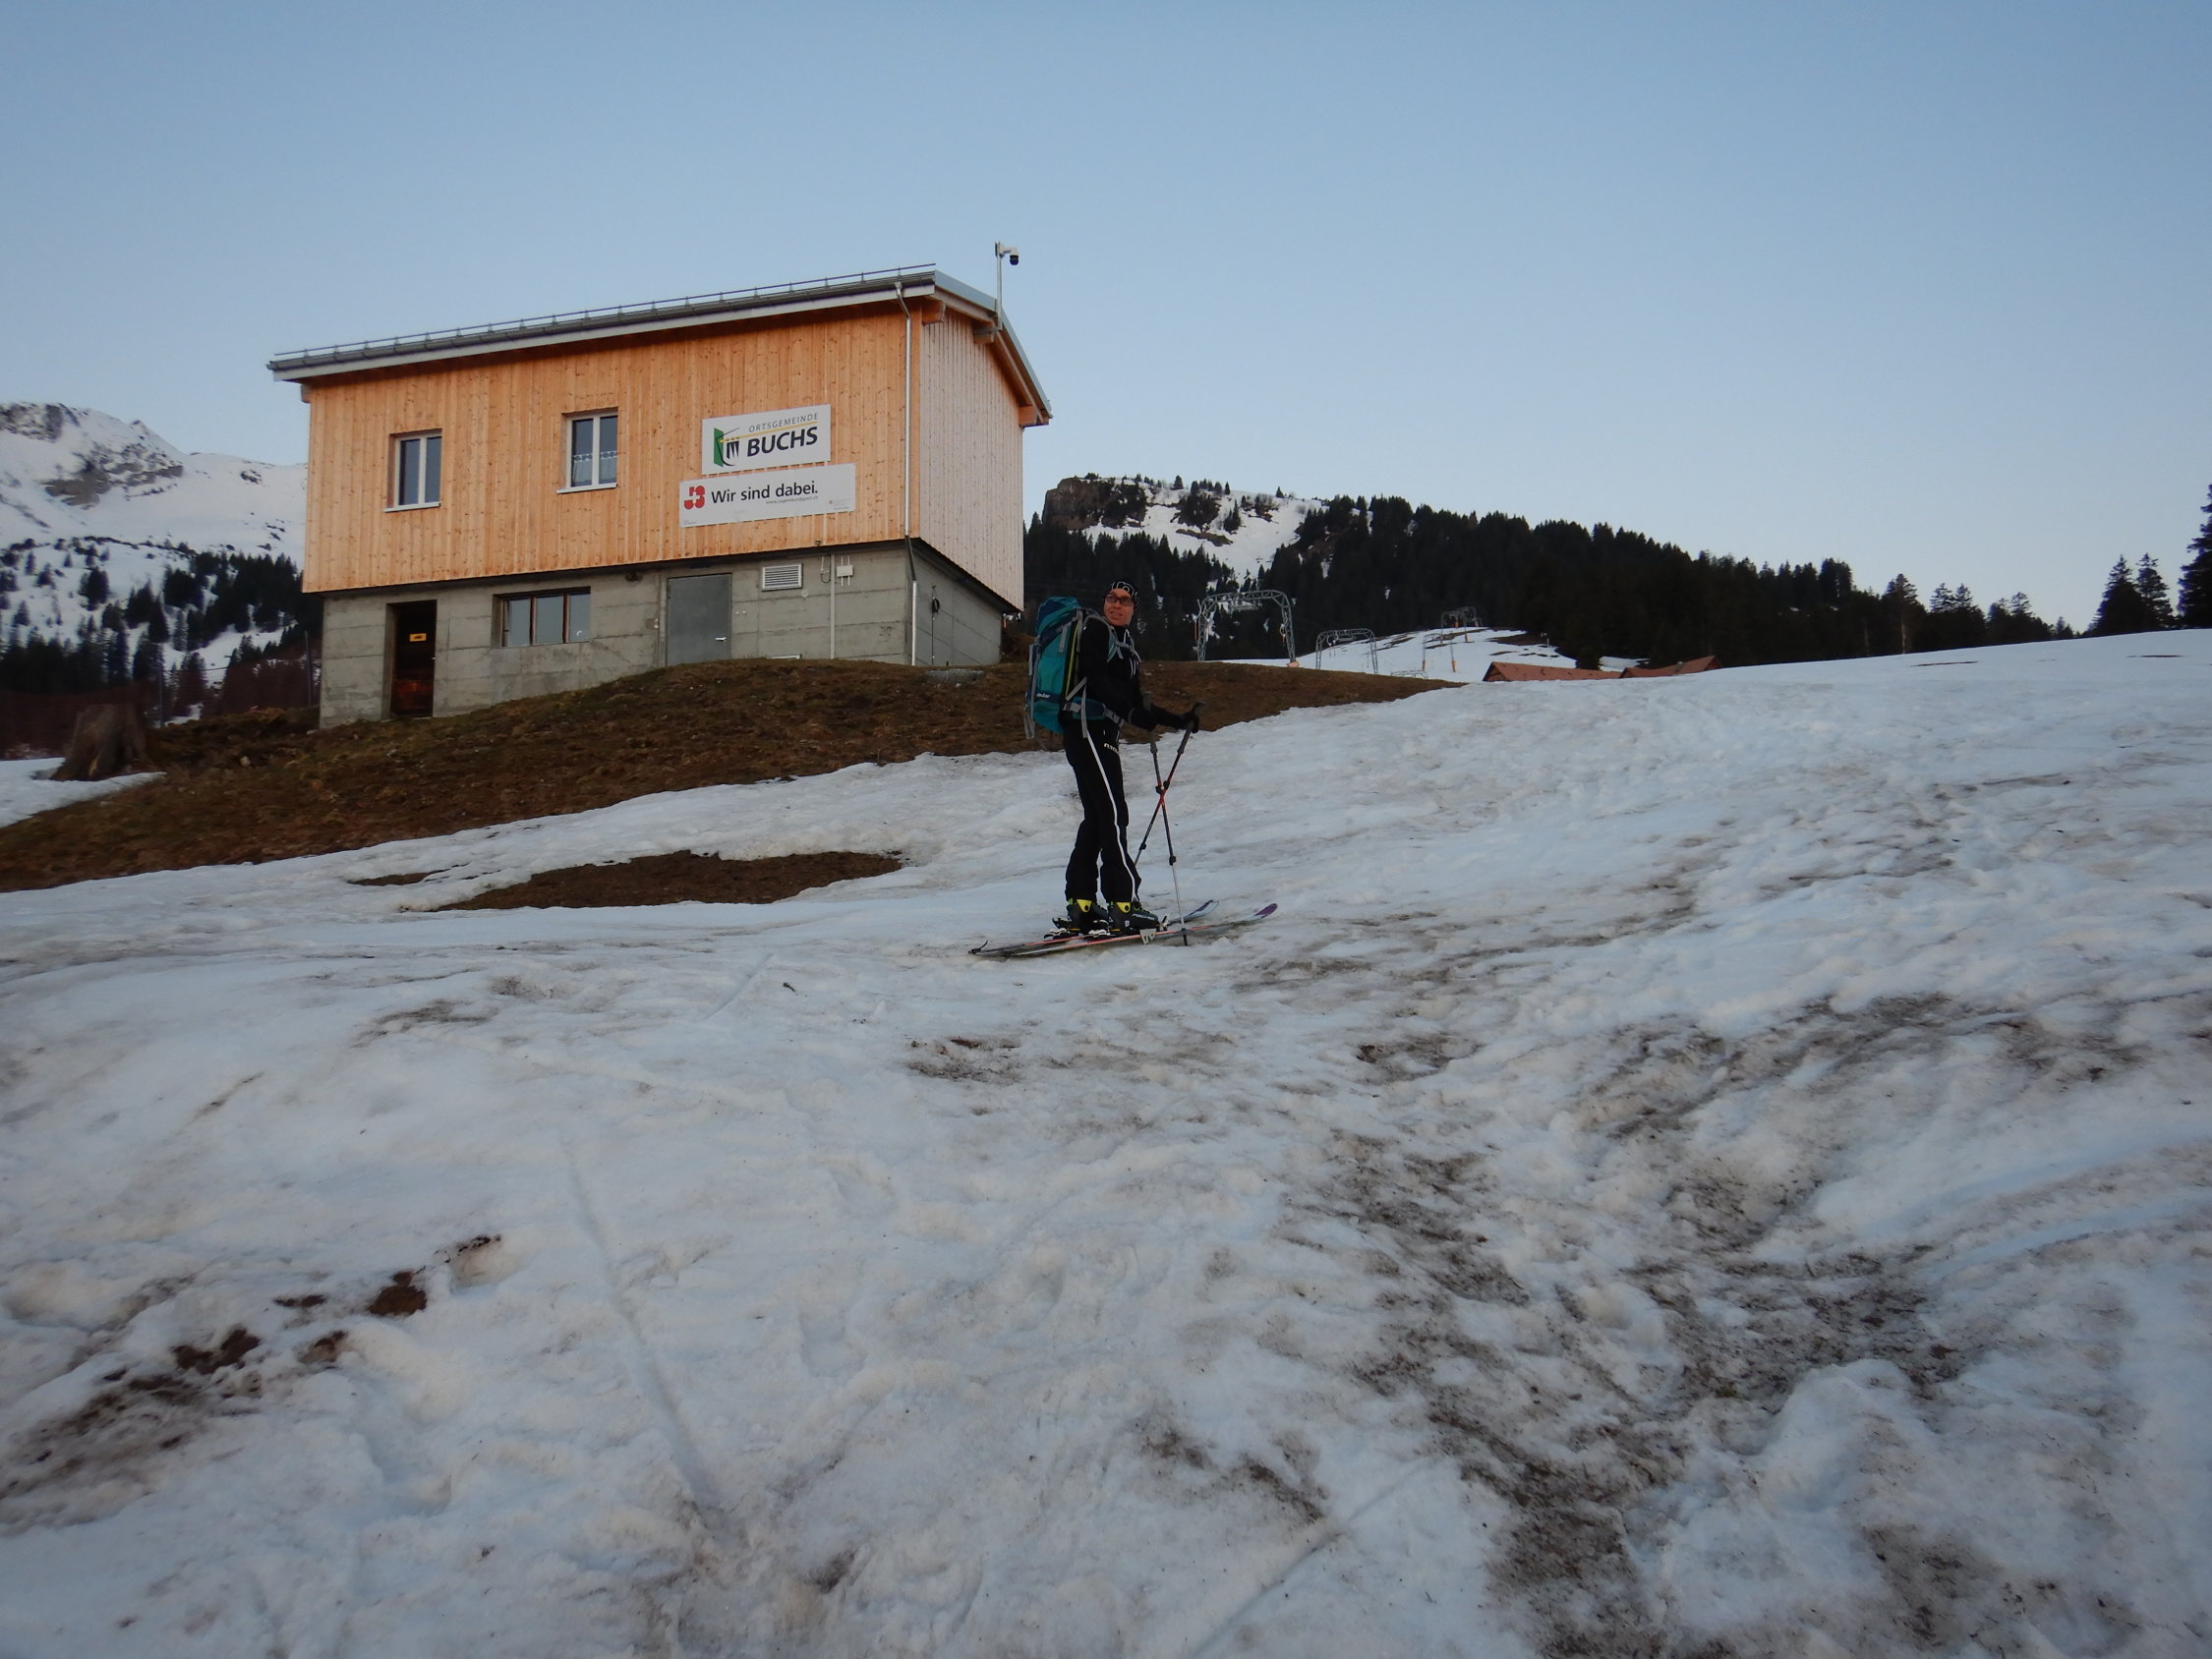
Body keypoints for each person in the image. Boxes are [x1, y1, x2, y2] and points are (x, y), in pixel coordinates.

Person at [1057, 581, 1200, 934]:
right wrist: (1131, 713)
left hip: (1100, 733)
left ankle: (1082, 904)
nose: (1116, 605)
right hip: (1087, 729)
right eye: (1111, 598)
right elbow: (1095, 678)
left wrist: (1178, 720)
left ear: (1134, 608)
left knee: (1097, 817)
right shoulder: (1095, 629)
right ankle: (1123, 903)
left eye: (1124, 601)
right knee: (1113, 813)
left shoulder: (1126, 648)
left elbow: (1135, 701)